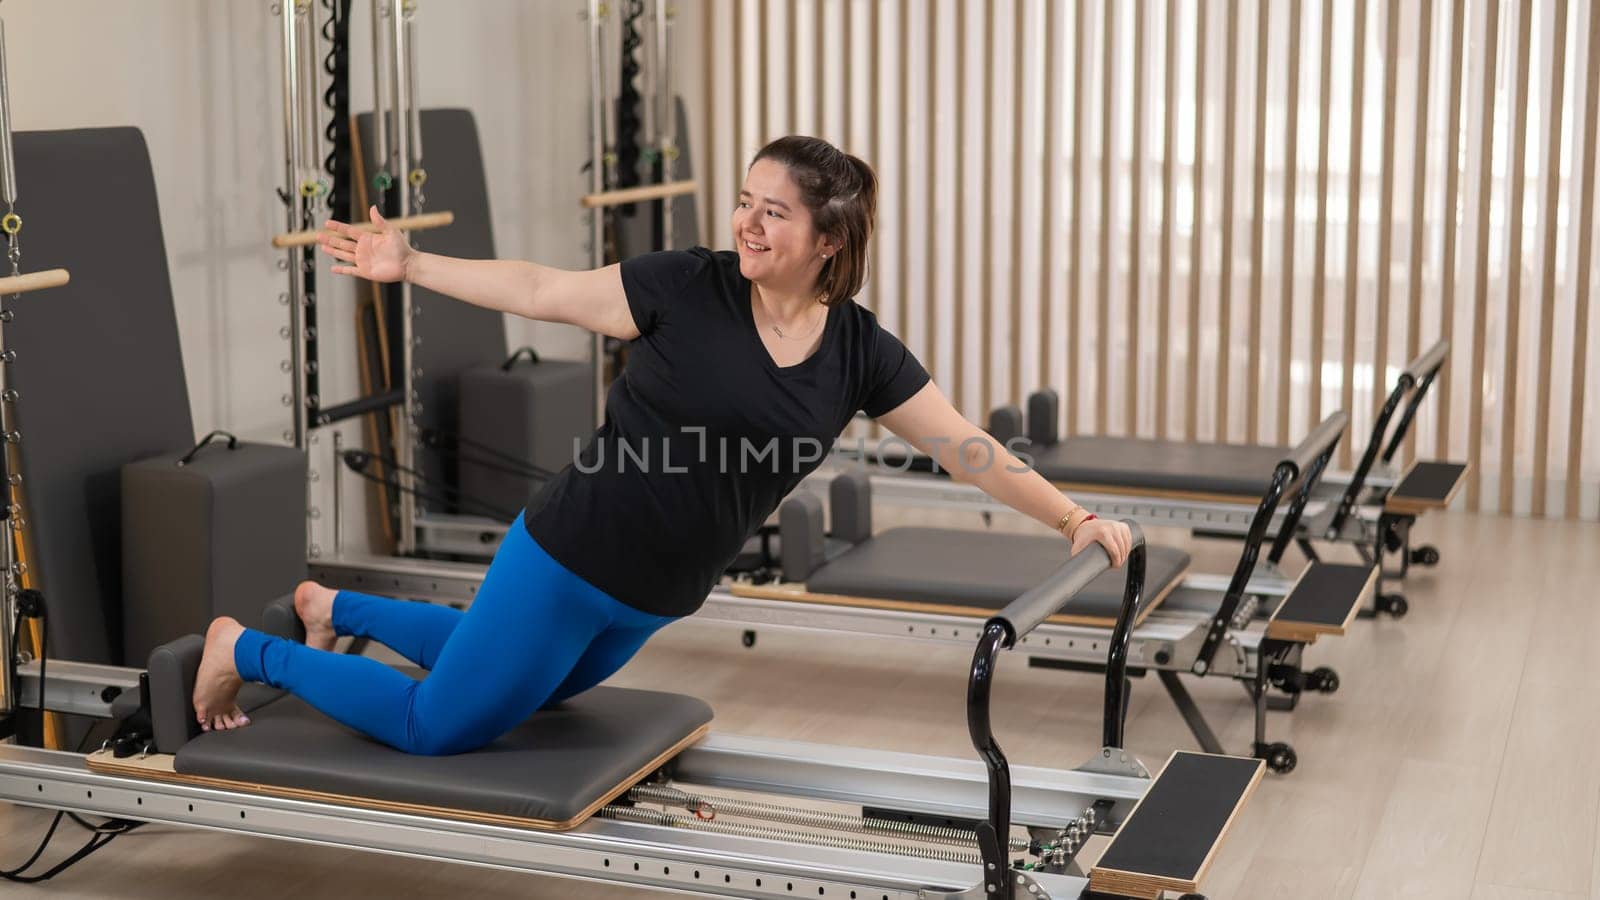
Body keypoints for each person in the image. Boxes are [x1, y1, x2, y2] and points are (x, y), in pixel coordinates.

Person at [190, 135, 1133, 755]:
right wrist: (412, 265)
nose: (746, 224)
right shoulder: (685, 286)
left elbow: (966, 446)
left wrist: (1072, 517)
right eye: (744, 201)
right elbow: (542, 289)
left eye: (775, 212)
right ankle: (247, 650)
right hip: (571, 552)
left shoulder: (858, 352)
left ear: (831, 240)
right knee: (436, 725)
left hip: (657, 597)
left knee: (534, 685)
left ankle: (330, 600)